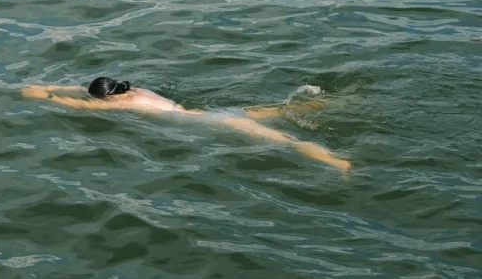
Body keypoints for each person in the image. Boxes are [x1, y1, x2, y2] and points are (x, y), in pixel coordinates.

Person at [21, 77, 350, 170]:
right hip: (211, 111)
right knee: (277, 110)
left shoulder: (120, 106)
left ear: (105, 99)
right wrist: (48, 86)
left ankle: (336, 161)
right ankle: (331, 102)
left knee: (281, 140)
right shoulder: (133, 91)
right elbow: (82, 91)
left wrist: (41, 95)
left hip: (212, 123)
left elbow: (77, 103)